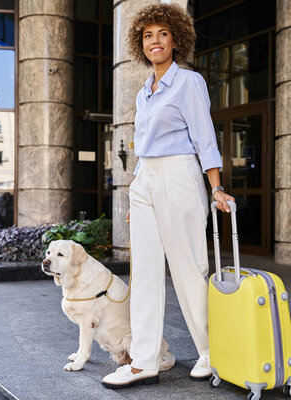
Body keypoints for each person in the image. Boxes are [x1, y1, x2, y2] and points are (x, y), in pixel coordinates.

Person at [102, 3, 234, 389]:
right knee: (142, 272)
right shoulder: (145, 92)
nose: (155, 41)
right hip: (145, 181)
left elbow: (204, 138)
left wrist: (217, 187)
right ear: (140, 44)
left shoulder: (189, 83)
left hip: (179, 174)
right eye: (147, 35)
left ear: (176, 39)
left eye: (162, 34)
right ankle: (145, 360)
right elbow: (142, 148)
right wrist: (135, 197)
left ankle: (212, 352)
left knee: (190, 268)